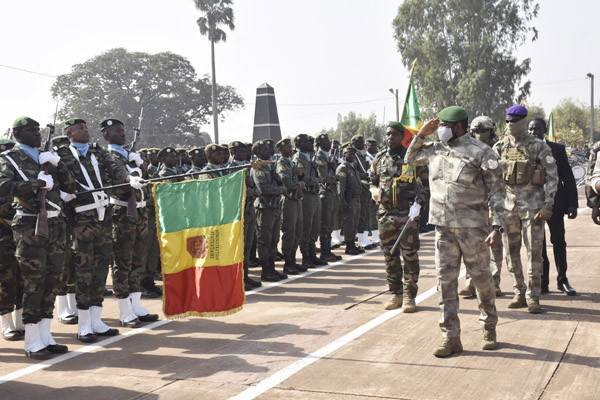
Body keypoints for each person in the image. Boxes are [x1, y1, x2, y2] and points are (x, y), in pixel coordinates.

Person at [405, 106, 504, 357]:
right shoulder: (435, 149)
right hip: (443, 228)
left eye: (444, 126)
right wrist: (421, 135)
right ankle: (451, 337)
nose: (440, 130)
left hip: (473, 228)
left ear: (458, 127)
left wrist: (497, 226)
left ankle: (489, 327)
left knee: (482, 280)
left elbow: (498, 191)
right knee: (444, 283)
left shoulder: (481, 152)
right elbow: (408, 159)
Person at [0, 117, 76, 359]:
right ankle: (32, 340)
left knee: (52, 280)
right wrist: (35, 182)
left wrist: (58, 164)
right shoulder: (9, 158)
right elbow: (2, 185)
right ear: (17, 133)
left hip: (55, 223)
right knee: (34, 281)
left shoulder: (46, 158)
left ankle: (45, 335)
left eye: (38, 130)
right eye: (31, 131)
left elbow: (71, 187)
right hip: (29, 225)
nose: (38, 134)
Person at [56, 118, 126, 343]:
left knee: (100, 269)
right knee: (83, 271)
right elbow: (50, 179)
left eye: (86, 128)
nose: (85, 132)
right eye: (80, 129)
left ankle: (97, 320)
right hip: (81, 218)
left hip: (103, 216)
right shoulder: (62, 154)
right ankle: (84, 324)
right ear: (69, 133)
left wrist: (128, 177)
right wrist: (60, 193)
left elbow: (114, 167)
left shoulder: (97, 152)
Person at [492, 106, 558, 314]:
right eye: (508, 121)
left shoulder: (538, 146)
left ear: (523, 121)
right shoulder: (499, 147)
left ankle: (533, 296)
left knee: (534, 254)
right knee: (511, 253)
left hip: (533, 207)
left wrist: (549, 203)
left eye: (514, 121)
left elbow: (553, 175)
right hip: (508, 207)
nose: (510, 125)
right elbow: (492, 180)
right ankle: (518, 291)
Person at [102, 118, 158, 328]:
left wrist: (141, 165)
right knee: (122, 262)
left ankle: (136, 305)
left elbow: (146, 180)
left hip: (140, 211)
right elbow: (116, 181)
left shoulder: (129, 155)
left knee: (137, 260)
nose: (123, 134)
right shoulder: (107, 156)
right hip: (121, 212)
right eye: (117, 132)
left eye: (123, 131)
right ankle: (124, 309)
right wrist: (130, 170)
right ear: (107, 136)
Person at [370, 122, 428, 312]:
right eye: (388, 134)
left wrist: (419, 204)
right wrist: (374, 192)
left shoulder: (412, 158)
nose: (390, 137)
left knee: (410, 256)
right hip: (385, 215)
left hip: (407, 215)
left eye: (395, 134)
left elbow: (426, 185)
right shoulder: (379, 159)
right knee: (389, 256)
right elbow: (372, 182)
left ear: (402, 136)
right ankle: (395, 294)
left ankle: (410, 296)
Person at [528, 118, 578, 296]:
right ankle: (543, 281)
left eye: (537, 129)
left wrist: (573, 204)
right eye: (531, 129)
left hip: (555, 202)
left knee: (558, 241)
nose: (534, 132)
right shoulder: (524, 150)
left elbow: (568, 176)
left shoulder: (557, 149)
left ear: (544, 130)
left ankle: (562, 280)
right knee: (538, 244)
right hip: (533, 204)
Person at [459, 116, 504, 297]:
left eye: (483, 130)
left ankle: (495, 281)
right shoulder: (470, 149)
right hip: (475, 203)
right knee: (473, 245)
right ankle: (471, 282)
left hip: (494, 201)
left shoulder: (498, 149)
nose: (480, 134)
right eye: (477, 131)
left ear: (491, 131)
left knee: (494, 245)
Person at [251, 140, 288, 282]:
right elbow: (263, 189)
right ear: (257, 152)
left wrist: (279, 182)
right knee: (264, 240)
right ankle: (266, 271)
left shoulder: (270, 166)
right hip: (264, 207)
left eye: (268, 149)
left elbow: (279, 182)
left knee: (274, 240)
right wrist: (281, 189)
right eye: (264, 149)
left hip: (275, 206)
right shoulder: (258, 167)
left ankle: (272, 268)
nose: (268, 151)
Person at [228, 141, 262, 290]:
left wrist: (252, 188)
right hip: (239, 210)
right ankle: (239, 278)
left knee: (248, 245)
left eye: (244, 151)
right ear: (233, 153)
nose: (244, 154)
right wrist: (253, 190)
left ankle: (245, 275)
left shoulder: (247, 166)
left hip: (249, 208)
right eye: (240, 152)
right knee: (240, 246)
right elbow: (235, 190)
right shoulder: (232, 169)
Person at [0, 139, 24, 341]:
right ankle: (6, 323)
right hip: (3, 237)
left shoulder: (19, 180)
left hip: (22, 235)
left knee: (23, 277)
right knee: (6, 280)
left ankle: (21, 319)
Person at [294, 134, 327, 268]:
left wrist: (315, 170)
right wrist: (316, 180)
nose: (309, 144)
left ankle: (312, 254)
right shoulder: (298, 158)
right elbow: (302, 177)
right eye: (306, 142)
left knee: (315, 227)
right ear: (299, 144)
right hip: (306, 194)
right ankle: (306, 256)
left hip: (314, 193)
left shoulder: (309, 158)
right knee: (306, 227)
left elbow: (314, 175)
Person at [276, 138, 305, 275]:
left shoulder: (292, 162)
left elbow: (298, 178)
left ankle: (292, 260)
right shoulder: (281, 164)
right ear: (281, 150)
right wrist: (300, 183)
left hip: (297, 199)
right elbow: (285, 182)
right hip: (288, 200)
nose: (291, 149)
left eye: (291, 147)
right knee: (289, 232)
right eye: (287, 147)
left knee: (298, 230)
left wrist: (300, 176)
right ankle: (288, 263)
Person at [315, 133, 342, 262]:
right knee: (325, 224)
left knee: (331, 223)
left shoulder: (329, 156)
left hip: (332, 192)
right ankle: (324, 251)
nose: (328, 142)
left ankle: (328, 250)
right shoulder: (319, 156)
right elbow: (322, 177)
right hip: (325, 192)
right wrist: (334, 177)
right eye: (325, 141)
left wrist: (334, 167)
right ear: (320, 143)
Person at [336, 144, 363, 255]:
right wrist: (343, 202)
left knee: (355, 223)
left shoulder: (353, 168)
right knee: (349, 223)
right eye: (349, 153)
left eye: (353, 154)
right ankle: (349, 246)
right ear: (344, 155)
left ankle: (352, 244)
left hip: (356, 199)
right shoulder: (343, 168)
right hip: (349, 199)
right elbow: (340, 187)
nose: (352, 155)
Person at [351, 135, 375, 249]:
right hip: (360, 186)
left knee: (365, 213)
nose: (363, 144)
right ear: (355, 143)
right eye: (361, 142)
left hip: (366, 186)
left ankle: (364, 237)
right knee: (361, 214)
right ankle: (360, 239)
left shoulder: (362, 155)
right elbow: (353, 172)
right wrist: (364, 174)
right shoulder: (354, 155)